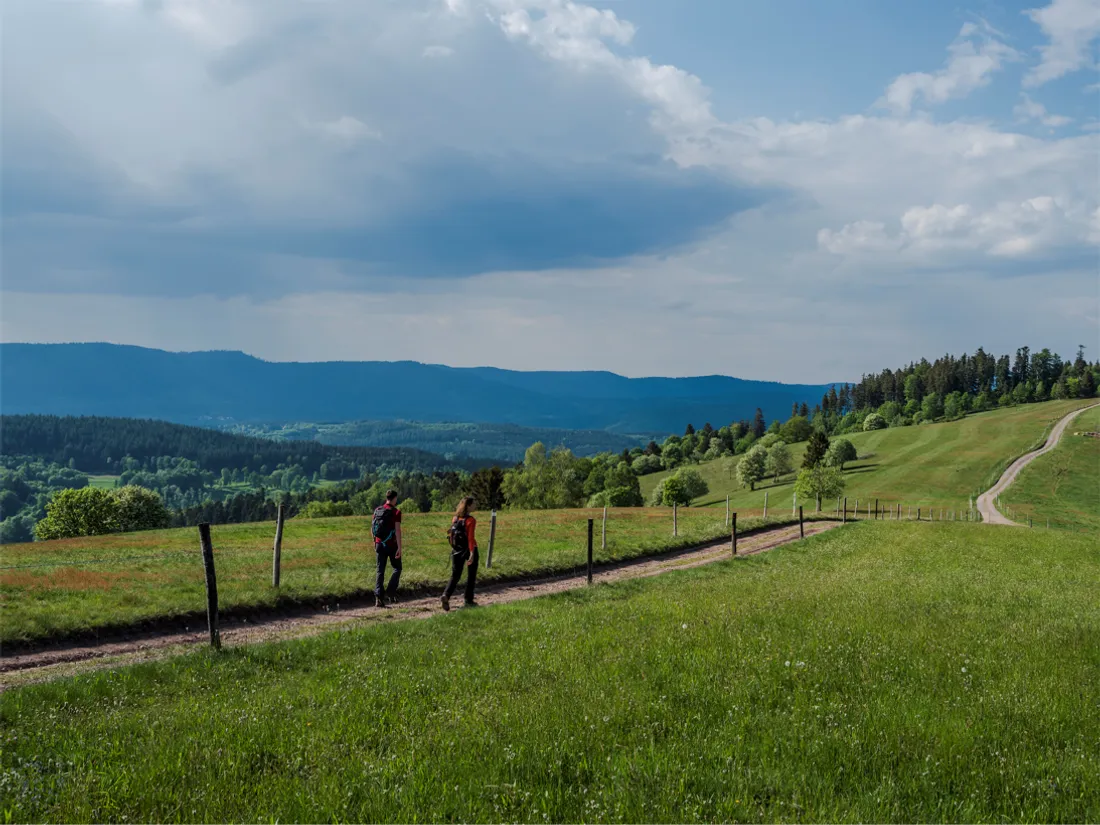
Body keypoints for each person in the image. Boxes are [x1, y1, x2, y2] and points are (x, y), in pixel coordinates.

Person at [442, 496, 478, 611]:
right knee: (471, 575)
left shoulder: (455, 519)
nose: (475, 505)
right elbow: (471, 538)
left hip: (456, 550)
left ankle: (446, 595)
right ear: (468, 505)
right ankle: (468, 599)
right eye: (473, 504)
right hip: (468, 549)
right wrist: (472, 553)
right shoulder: (471, 520)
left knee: (455, 575)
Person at [372, 489, 402, 608]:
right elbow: (398, 531)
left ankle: (378, 598)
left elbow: (372, 527)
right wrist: (400, 547)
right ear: (394, 498)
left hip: (379, 544)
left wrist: (375, 542)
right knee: (397, 568)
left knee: (380, 570)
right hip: (392, 544)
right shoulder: (396, 512)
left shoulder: (377, 510)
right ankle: (391, 591)